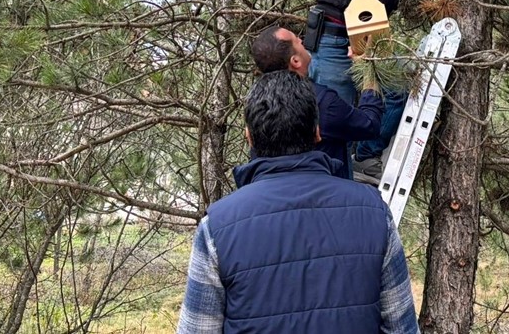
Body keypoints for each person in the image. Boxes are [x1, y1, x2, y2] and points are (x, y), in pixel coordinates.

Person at [176, 71, 420, 334]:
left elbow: (198, 329)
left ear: (249, 136)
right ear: (317, 133)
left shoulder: (217, 227)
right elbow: (403, 328)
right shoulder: (374, 212)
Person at [308, 0, 408, 182]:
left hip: (370, 29)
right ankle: (334, 186)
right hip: (335, 32)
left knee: (396, 91)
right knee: (335, 129)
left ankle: (365, 156)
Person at [250, 25, 383, 180]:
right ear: (295, 61)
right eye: (296, 40)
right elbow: (369, 124)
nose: (301, 40)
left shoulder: (255, 105)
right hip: (328, 189)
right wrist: (368, 68)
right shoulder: (321, 102)